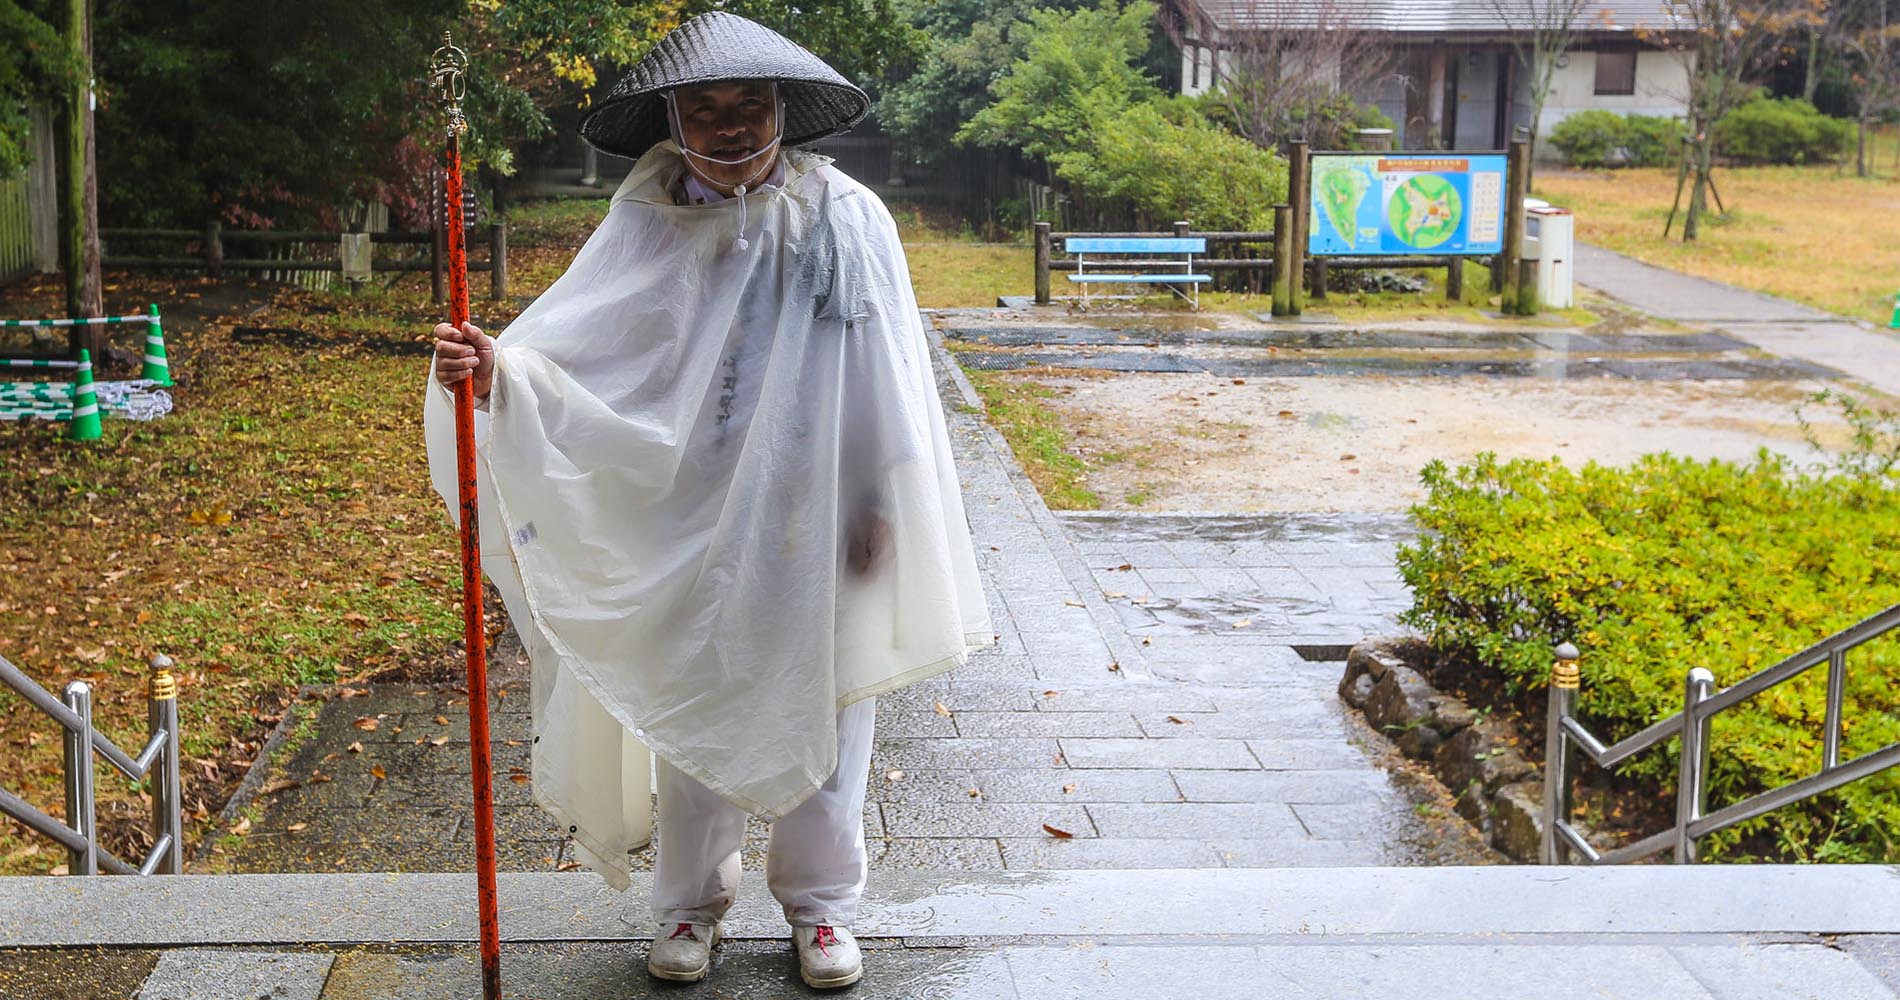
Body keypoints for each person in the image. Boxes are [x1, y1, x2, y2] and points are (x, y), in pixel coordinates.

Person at [422, 11, 990, 991]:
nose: (730, 127)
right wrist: (499, 372)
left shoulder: (842, 219)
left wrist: (878, 505)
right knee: (693, 704)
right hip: (688, 516)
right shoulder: (644, 220)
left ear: (781, 112)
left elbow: (885, 371)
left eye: (748, 106)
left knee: (830, 708)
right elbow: (589, 356)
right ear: (674, 118)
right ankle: (689, 903)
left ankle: (820, 909)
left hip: (820, 512)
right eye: (706, 108)